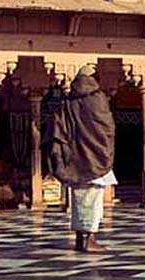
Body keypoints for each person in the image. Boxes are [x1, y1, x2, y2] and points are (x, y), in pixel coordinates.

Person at [43, 66, 116, 253]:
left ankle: (79, 238)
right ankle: (89, 240)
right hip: (95, 158)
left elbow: (59, 127)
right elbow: (105, 128)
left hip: (75, 158)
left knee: (78, 200)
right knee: (92, 199)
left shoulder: (68, 101)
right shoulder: (97, 98)